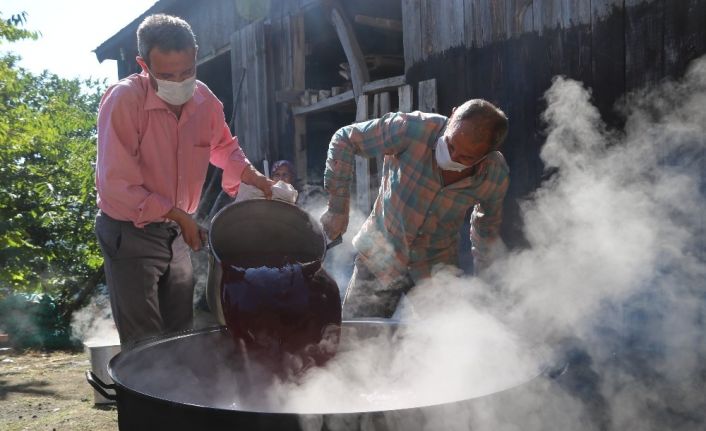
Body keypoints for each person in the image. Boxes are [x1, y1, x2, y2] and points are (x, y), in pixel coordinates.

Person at [94, 14, 274, 346]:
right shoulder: (124, 101)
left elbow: (224, 147)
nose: (179, 82)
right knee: (144, 342)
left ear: (195, 54)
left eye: (187, 72)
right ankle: (142, 398)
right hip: (129, 231)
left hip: (176, 231)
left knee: (180, 334)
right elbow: (116, 186)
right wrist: (180, 216)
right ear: (142, 64)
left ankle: (175, 397)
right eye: (166, 75)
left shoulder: (204, 101)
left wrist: (256, 177)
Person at [320, 99, 509, 318]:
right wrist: (337, 208)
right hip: (380, 253)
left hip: (437, 268)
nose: (452, 157)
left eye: (466, 157)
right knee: (359, 336)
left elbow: (486, 229)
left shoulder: (495, 175)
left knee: (448, 343)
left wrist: (485, 280)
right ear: (453, 113)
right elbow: (345, 139)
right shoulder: (412, 129)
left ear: (488, 154)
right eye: (450, 144)